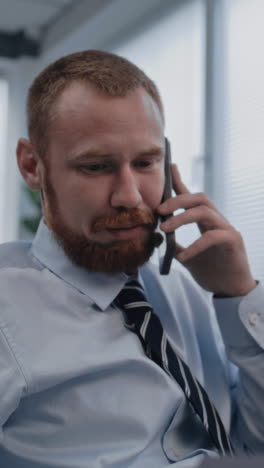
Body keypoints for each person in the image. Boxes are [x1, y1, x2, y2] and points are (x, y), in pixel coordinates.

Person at [0, 50, 263, 468]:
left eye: (145, 162)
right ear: (33, 166)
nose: (128, 195)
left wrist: (237, 295)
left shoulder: (185, 292)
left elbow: (252, 447)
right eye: (96, 167)